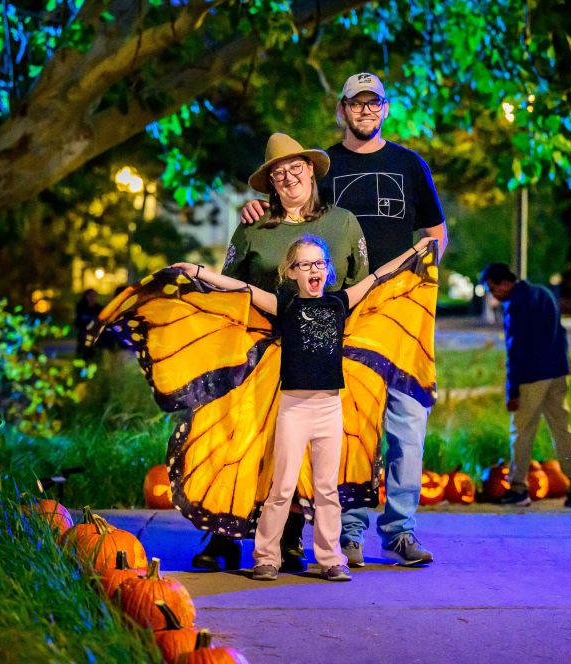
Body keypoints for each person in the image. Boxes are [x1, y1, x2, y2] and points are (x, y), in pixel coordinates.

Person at [240, 72, 448, 567]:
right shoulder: (324, 169)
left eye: (374, 103)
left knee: (407, 420)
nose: (365, 111)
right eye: (356, 104)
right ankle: (349, 530)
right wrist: (253, 207)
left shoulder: (409, 164)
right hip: (338, 311)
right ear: (342, 110)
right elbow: (288, 208)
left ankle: (400, 530)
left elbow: (436, 234)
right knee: (349, 424)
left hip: (396, 313)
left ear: (386, 109)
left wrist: (419, 290)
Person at [172, 235, 434, 581]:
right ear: (291, 272)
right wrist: (198, 271)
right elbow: (240, 289)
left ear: (328, 270)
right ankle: (266, 557)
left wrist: (416, 250)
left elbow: (376, 278)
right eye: (305, 264)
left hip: (329, 410)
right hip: (293, 409)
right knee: (281, 487)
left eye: (319, 263)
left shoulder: (340, 303)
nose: (314, 269)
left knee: (327, 489)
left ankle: (331, 558)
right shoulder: (284, 305)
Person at [194, 132, 369, 573]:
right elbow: (229, 287)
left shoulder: (343, 223)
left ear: (311, 170)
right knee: (248, 446)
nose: (289, 177)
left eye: (295, 168)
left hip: (321, 354)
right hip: (259, 354)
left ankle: (292, 540)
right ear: (270, 182)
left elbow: (362, 288)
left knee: (312, 467)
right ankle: (226, 536)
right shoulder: (253, 225)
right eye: (278, 172)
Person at [479, 262, 571, 509]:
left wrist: (512, 391)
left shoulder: (515, 306)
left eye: (494, 289)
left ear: (505, 282)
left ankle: (519, 488)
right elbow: (561, 332)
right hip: (558, 372)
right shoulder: (545, 294)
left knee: (522, 432)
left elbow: (515, 351)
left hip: (531, 377)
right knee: (562, 429)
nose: (494, 295)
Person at [74, 289, 102, 360]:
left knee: (94, 352)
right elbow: (78, 321)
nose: (92, 297)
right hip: (83, 334)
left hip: (95, 334)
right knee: (83, 351)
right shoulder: (81, 307)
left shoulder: (99, 308)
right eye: (90, 295)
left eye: (94, 296)